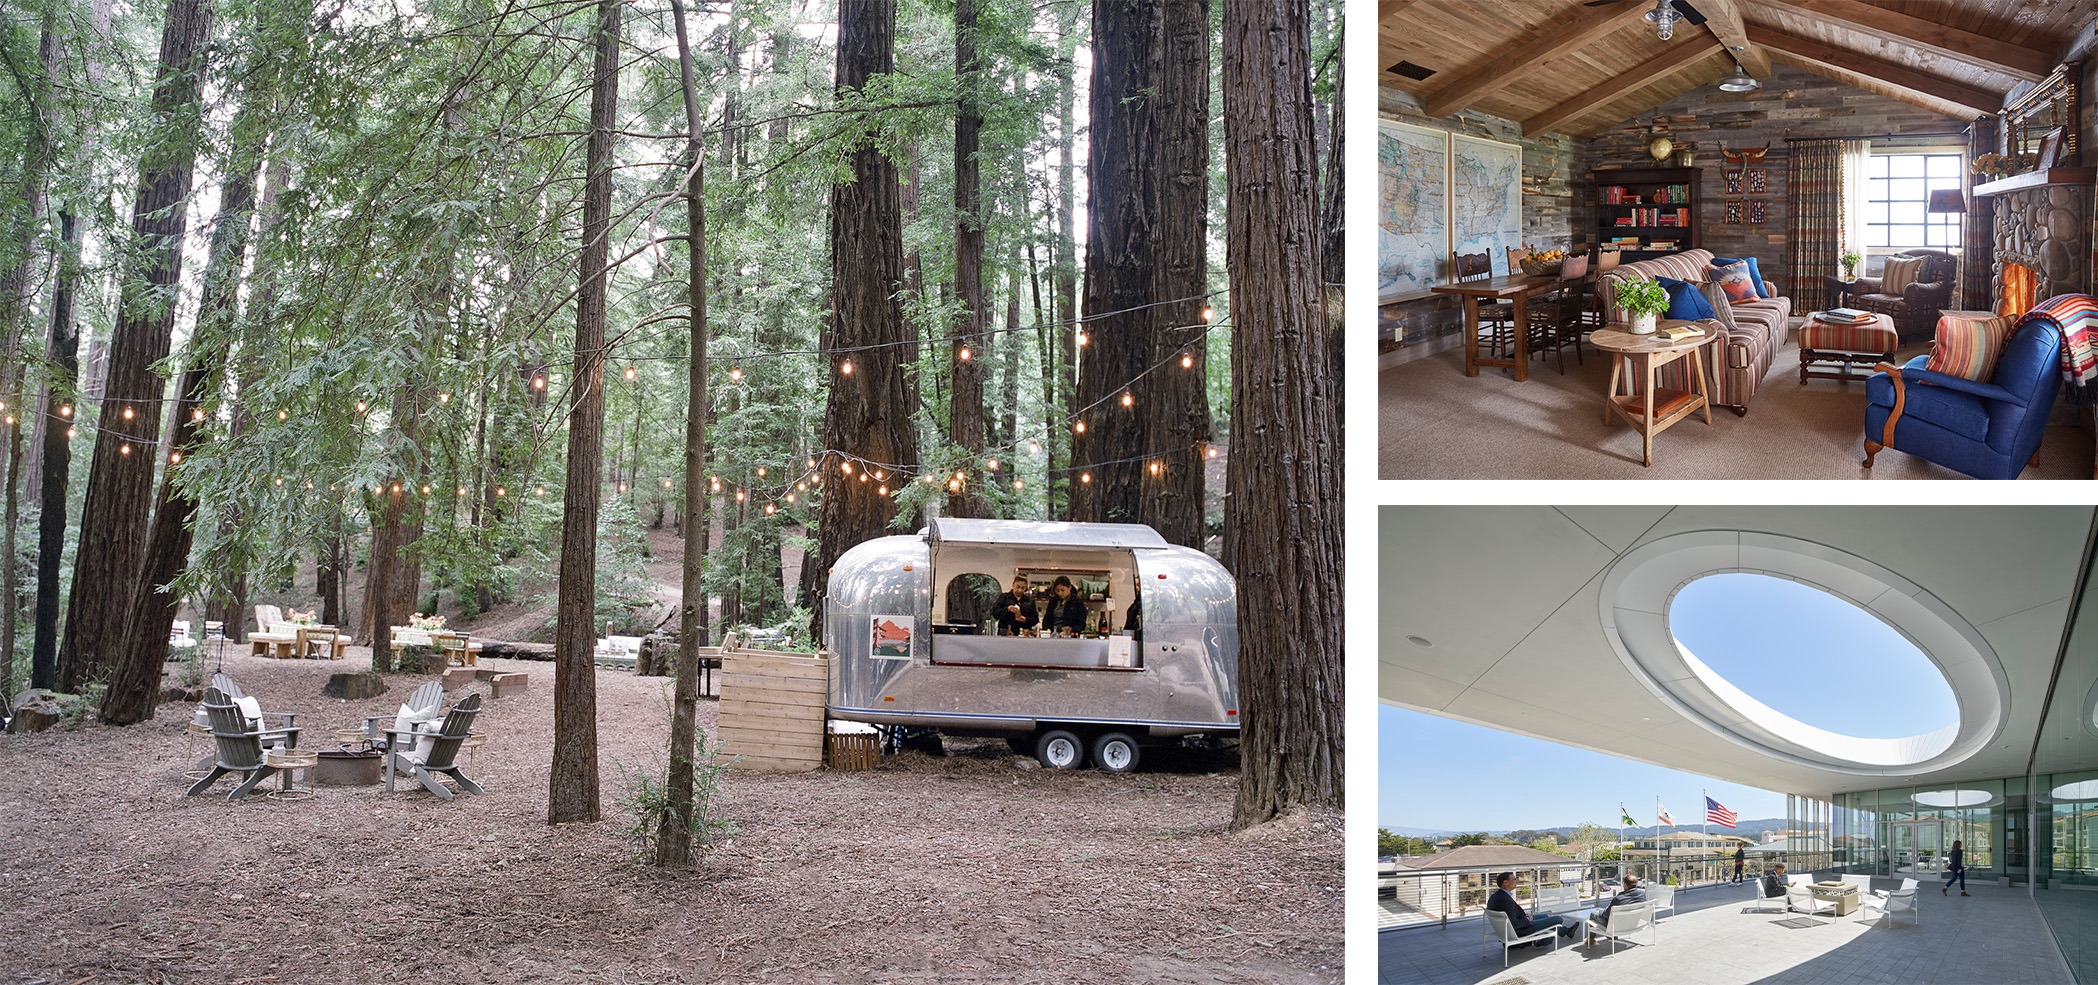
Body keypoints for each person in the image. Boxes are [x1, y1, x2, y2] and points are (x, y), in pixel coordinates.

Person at [1485, 872, 1577, 944]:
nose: (1516, 880)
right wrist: (1528, 920)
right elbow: (1514, 924)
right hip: (1522, 930)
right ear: (1505, 883)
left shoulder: (1495, 897)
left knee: (1544, 915)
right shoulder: (1506, 901)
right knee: (1558, 919)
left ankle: (1560, 934)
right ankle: (1551, 938)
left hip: (1507, 930)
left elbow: (1511, 916)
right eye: (1514, 879)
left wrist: (1524, 916)